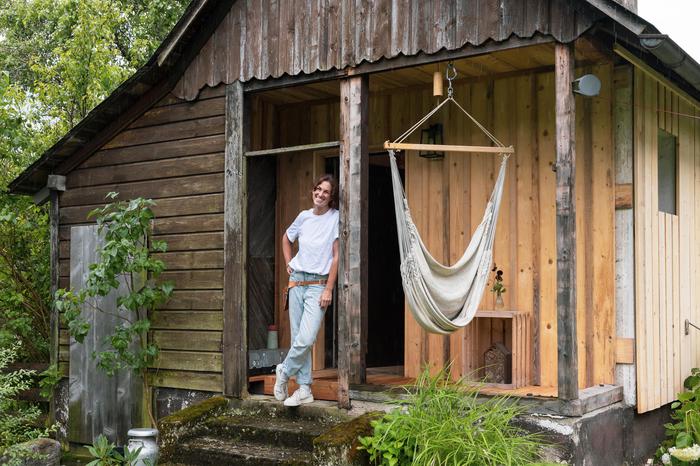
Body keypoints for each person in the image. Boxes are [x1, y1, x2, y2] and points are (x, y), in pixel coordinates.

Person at [274, 174, 339, 407]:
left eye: (326, 192)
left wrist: (329, 289)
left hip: (318, 285)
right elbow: (286, 238)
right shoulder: (303, 217)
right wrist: (289, 262)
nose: (320, 194)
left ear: (331, 197)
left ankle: (283, 372)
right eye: (318, 190)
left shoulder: (335, 218)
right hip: (297, 283)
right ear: (313, 191)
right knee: (297, 338)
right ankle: (304, 389)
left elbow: (336, 257)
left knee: (307, 337)